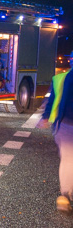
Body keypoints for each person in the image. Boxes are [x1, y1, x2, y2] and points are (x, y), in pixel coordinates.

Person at [37, 51, 73, 212]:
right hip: (66, 124)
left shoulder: (62, 78)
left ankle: (64, 196)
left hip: (65, 124)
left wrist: (45, 117)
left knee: (67, 159)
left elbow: (52, 99)